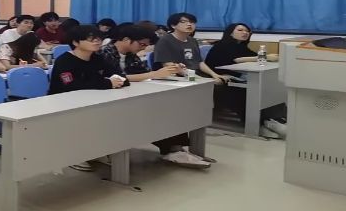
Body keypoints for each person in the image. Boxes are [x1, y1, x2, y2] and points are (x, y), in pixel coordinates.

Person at [96, 25, 212, 168]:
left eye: (146, 45)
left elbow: (143, 74)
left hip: (132, 94)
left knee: (169, 108)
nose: (144, 48)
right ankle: (171, 150)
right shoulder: (104, 53)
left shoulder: (131, 55)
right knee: (153, 113)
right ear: (126, 39)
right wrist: (153, 74)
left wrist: (169, 71)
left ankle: (174, 149)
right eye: (142, 44)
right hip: (109, 98)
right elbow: (115, 78)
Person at [48, 25, 125, 172]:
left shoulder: (97, 58)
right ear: (76, 42)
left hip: (92, 100)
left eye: (98, 39)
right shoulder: (64, 60)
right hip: (63, 103)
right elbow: (71, 85)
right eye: (91, 39)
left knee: (111, 117)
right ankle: (74, 155)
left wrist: (117, 81)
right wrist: (107, 83)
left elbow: (118, 75)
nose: (97, 42)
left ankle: (97, 151)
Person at [203, 23, 286, 138]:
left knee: (268, 87)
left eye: (247, 31)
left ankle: (272, 120)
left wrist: (267, 57)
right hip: (218, 78)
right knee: (245, 92)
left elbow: (252, 56)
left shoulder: (241, 46)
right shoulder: (222, 45)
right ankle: (259, 125)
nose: (245, 33)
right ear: (230, 33)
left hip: (234, 77)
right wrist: (264, 57)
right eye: (240, 30)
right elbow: (236, 60)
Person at [153, 13, 230, 85]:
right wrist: (200, 79)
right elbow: (168, 65)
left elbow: (199, 62)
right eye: (183, 22)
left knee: (224, 81)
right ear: (173, 25)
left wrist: (214, 74)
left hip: (195, 74)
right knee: (213, 86)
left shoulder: (192, 40)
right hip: (177, 76)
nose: (189, 24)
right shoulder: (165, 40)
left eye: (192, 22)